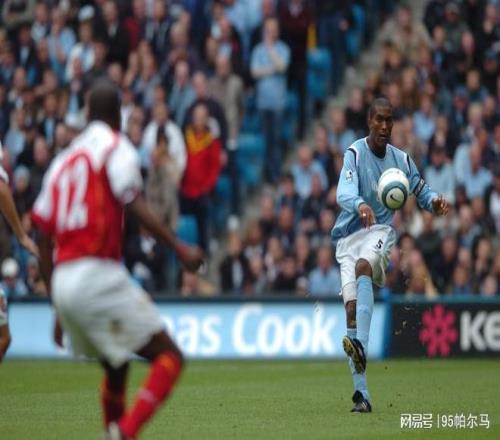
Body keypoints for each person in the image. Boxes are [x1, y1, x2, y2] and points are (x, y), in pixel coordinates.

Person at [31, 80, 203, 439]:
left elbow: (42, 236)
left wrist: (56, 306)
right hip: (97, 272)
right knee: (170, 356)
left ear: (88, 114)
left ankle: (114, 429)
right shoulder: (115, 147)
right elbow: (131, 200)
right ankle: (124, 433)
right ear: (118, 118)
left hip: (63, 280)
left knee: (117, 364)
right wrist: (179, 248)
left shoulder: (63, 160)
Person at [332, 97, 449, 413]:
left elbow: (421, 191)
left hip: (379, 232)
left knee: (364, 266)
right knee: (351, 313)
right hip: (347, 237)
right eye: (379, 120)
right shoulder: (355, 153)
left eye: (389, 120)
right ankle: (362, 395)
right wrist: (359, 204)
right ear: (369, 121)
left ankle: (361, 345)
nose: (384, 126)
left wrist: (435, 202)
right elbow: (343, 192)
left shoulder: (402, 161)